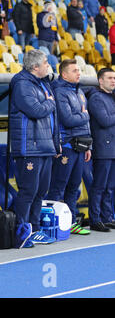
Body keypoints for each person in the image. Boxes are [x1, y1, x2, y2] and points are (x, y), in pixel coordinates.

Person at [9, 49, 61, 248]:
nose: (48, 65)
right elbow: (36, 110)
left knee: (41, 191)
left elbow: (52, 117)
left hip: (45, 146)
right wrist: (49, 102)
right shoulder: (22, 84)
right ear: (35, 67)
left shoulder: (43, 84)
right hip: (29, 147)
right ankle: (22, 231)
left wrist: (55, 144)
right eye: (46, 62)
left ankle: (35, 229)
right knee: (28, 191)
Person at [46, 59, 91, 235]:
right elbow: (68, 119)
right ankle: (52, 224)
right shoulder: (60, 92)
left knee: (73, 186)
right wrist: (85, 115)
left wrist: (89, 146)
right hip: (66, 146)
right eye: (74, 70)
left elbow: (80, 121)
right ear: (64, 74)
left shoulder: (78, 91)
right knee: (58, 186)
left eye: (79, 70)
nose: (78, 73)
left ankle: (70, 223)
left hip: (81, 146)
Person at [86, 68, 115, 231]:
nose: (113, 81)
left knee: (110, 187)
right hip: (102, 148)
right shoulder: (96, 98)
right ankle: (95, 219)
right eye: (110, 78)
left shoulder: (112, 98)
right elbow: (104, 120)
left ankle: (107, 216)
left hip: (113, 148)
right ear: (100, 81)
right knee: (99, 186)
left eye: (114, 78)